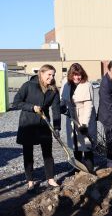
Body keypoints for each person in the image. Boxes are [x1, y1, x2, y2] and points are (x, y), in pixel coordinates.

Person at [13, 64, 61, 192]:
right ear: (41, 73)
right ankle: (30, 181)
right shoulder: (28, 86)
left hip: (44, 124)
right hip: (28, 124)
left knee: (48, 152)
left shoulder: (53, 90)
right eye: (49, 75)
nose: (51, 77)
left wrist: (57, 127)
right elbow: (16, 102)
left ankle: (50, 179)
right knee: (28, 153)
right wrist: (32, 107)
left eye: (53, 75)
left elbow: (56, 109)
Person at [60, 63, 97, 173]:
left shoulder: (87, 85)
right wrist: (62, 107)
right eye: (74, 75)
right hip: (71, 117)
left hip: (84, 117)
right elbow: (63, 99)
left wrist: (85, 124)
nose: (77, 77)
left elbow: (88, 106)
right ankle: (77, 168)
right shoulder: (66, 84)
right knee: (75, 143)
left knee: (86, 144)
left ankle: (90, 169)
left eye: (79, 75)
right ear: (70, 75)